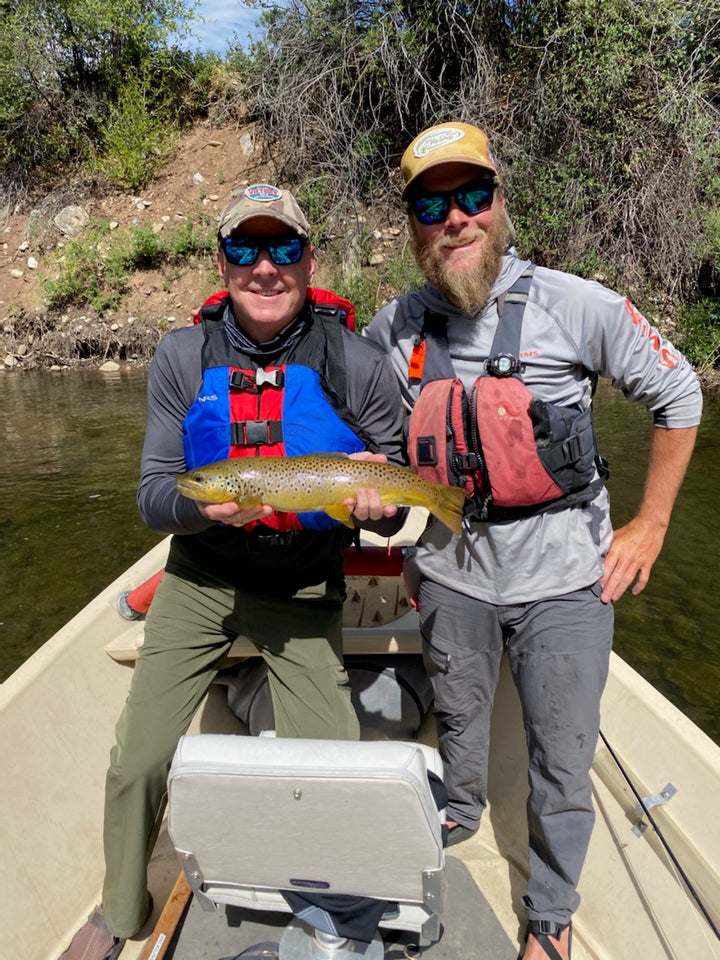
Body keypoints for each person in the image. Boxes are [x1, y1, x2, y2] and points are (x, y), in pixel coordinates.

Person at [363, 122, 702, 960]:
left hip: (564, 580)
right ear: (413, 224)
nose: (457, 219)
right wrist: (373, 502)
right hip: (448, 575)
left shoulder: (576, 304)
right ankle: (461, 813)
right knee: (462, 721)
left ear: (500, 203)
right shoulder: (390, 330)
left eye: (472, 196)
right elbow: (367, 435)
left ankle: (548, 918)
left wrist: (650, 526)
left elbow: (680, 393)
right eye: (432, 203)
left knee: (560, 760)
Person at [59, 184, 405, 960]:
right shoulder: (182, 356)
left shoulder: (356, 361)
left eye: (283, 248)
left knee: (334, 761)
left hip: (303, 588)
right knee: (138, 757)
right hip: (198, 580)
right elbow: (155, 496)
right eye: (245, 249)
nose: (265, 267)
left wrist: (384, 507)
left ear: (309, 261)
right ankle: (120, 913)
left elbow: (399, 498)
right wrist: (198, 514)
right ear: (222, 263)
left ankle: (336, 914)